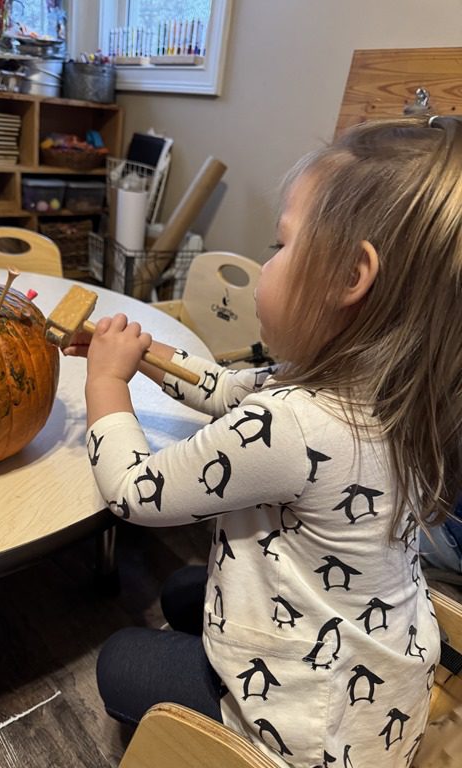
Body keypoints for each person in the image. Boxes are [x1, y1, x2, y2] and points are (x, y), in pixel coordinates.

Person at [63, 115, 462, 767]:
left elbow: (134, 492)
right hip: (381, 685)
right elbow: (228, 388)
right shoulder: (396, 396)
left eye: (280, 245)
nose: (266, 261)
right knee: (183, 590)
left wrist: (106, 383)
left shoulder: (292, 425)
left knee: (119, 661)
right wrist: (146, 356)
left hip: (311, 735)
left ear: (349, 277)